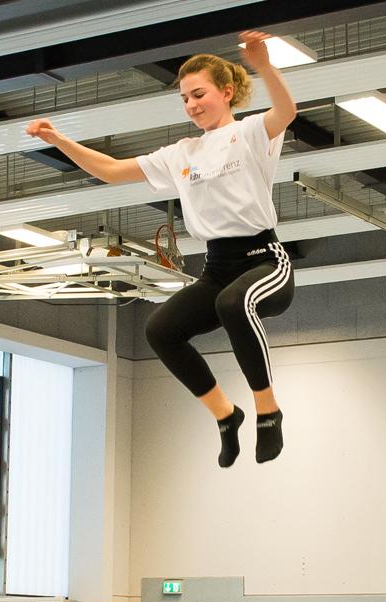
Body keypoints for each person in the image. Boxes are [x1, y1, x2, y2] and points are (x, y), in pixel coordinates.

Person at [28, 32, 299, 468]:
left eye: (199, 94)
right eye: (185, 98)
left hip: (264, 260)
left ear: (227, 92)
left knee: (234, 303)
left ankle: (268, 411)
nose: (191, 105)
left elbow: (286, 112)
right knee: (160, 330)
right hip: (216, 266)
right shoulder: (182, 153)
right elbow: (112, 170)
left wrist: (264, 66)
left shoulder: (249, 133)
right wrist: (60, 141)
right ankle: (225, 415)